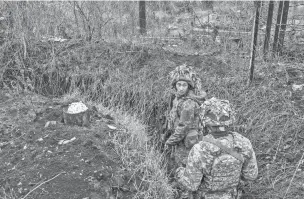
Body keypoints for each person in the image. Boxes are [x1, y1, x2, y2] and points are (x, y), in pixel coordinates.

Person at [175, 97, 258, 199]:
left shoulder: (200, 149)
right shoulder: (244, 143)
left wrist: (179, 173)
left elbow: (191, 185)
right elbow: (251, 176)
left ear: (204, 120)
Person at [164, 64, 206, 170]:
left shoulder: (188, 103)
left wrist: (170, 141)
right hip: (180, 138)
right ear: (175, 85)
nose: (181, 88)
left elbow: (183, 127)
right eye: (179, 85)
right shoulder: (178, 98)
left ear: (189, 87)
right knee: (178, 162)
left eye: (184, 85)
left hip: (188, 141)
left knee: (185, 165)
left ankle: (183, 184)